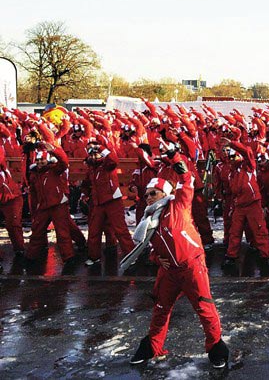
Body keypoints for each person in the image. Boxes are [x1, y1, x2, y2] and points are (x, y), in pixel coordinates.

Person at [126, 170, 229, 369]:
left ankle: (216, 349)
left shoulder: (178, 205)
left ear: (164, 193)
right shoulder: (149, 218)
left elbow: (186, 180)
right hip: (169, 272)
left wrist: (176, 161)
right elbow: (151, 247)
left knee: (204, 309)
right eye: (146, 194)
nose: (148, 197)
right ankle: (151, 347)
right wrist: (157, 258)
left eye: (153, 193)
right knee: (160, 309)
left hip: (191, 267)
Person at [83, 139, 135, 265]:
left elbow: (113, 159)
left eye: (97, 154)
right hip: (98, 202)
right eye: (92, 154)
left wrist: (101, 148)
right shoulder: (91, 168)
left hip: (113, 200)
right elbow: (86, 183)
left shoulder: (108, 165)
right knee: (94, 230)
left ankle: (131, 255)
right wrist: (85, 195)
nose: (95, 156)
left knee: (120, 229)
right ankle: (94, 256)